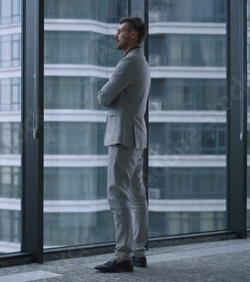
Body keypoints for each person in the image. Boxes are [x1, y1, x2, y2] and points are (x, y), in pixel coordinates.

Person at [94, 17, 151, 273]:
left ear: (134, 35)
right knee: (137, 196)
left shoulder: (128, 63)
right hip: (136, 137)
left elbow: (104, 96)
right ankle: (138, 252)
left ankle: (122, 256)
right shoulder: (141, 62)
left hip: (123, 137)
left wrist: (110, 92)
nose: (116, 35)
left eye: (121, 31)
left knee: (116, 194)